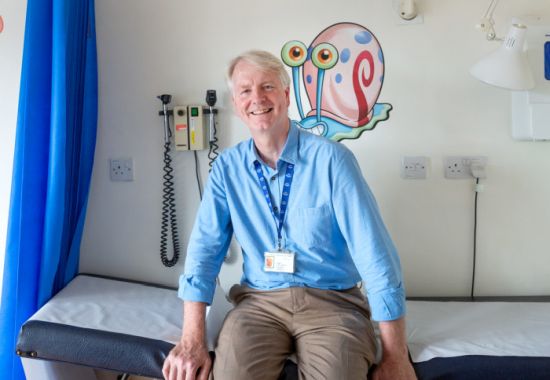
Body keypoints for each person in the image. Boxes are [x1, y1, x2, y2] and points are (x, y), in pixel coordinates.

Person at [162, 50, 417, 380]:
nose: (257, 98)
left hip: (334, 304)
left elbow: (375, 254)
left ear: (286, 95)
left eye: (267, 86)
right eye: (245, 90)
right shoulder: (226, 168)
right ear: (237, 105)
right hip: (259, 304)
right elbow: (204, 252)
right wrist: (191, 339)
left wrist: (396, 355)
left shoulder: (332, 161)